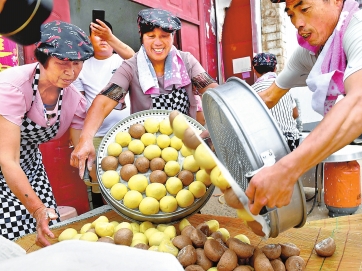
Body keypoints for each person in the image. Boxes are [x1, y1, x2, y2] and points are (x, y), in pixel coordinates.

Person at [246, 0, 362, 227]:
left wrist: (287, 170)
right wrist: (215, 130)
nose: (297, 23)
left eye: (304, 9)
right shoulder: (313, 51)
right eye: (290, 14)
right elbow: (268, 97)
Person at [70, 8, 218, 176]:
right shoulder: (131, 67)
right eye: (151, 36)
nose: (158, 43)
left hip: (186, 148)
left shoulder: (186, 61)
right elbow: (105, 100)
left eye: (164, 36)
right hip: (148, 153)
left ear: (172, 37)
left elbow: (211, 90)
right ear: (142, 37)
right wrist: (86, 138)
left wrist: (219, 124)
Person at [0, 20, 93, 246]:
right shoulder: (12, 87)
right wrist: (37, 209)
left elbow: (81, 149)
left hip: (30, 165)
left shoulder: (73, 100)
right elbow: (7, 159)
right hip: (7, 161)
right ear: (42, 57)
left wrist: (90, 161)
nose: (71, 71)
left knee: (48, 227)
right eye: (63, 62)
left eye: (78, 63)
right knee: (11, 238)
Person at [72, 19, 134, 208]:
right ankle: (102, 218)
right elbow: (78, 108)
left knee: (131, 177)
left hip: (127, 132)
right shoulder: (82, 67)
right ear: (89, 39)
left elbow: (135, 57)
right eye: (96, 34)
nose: (102, 39)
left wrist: (111, 38)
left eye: (105, 34)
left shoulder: (123, 61)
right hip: (97, 135)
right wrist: (80, 142)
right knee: (98, 181)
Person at [251, 52, 300, 151]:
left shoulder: (252, 91)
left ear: (254, 70)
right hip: (293, 142)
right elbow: (295, 114)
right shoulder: (284, 85)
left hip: (270, 145)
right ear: (275, 68)